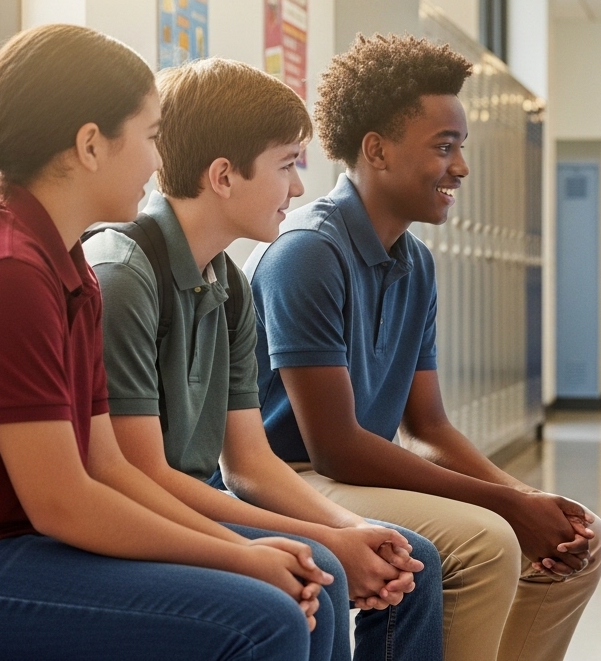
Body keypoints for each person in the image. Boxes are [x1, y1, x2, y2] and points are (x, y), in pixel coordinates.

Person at [0, 24, 331, 659]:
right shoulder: (2, 269)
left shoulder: (66, 264)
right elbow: (64, 503)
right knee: (264, 619)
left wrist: (243, 550)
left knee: (306, 587)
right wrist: (241, 558)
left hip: (18, 541)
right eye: (153, 138)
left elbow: (106, 467)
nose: (160, 161)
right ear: (90, 145)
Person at [247, 33, 601, 661]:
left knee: (580, 542)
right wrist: (508, 506)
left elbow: (430, 425)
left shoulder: (414, 263)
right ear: (376, 150)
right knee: (490, 539)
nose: (460, 168)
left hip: (351, 472)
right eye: (444, 148)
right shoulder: (307, 252)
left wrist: (527, 501)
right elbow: (336, 446)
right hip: (292, 478)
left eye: (461, 148)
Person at [84, 57, 444, 661]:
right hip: (140, 514)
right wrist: (323, 539)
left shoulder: (228, 283)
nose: (298, 189)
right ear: (224, 176)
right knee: (321, 570)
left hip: (192, 501)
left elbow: (249, 461)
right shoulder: (123, 275)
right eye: (286, 166)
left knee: (411, 558)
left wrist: (349, 527)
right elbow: (143, 475)